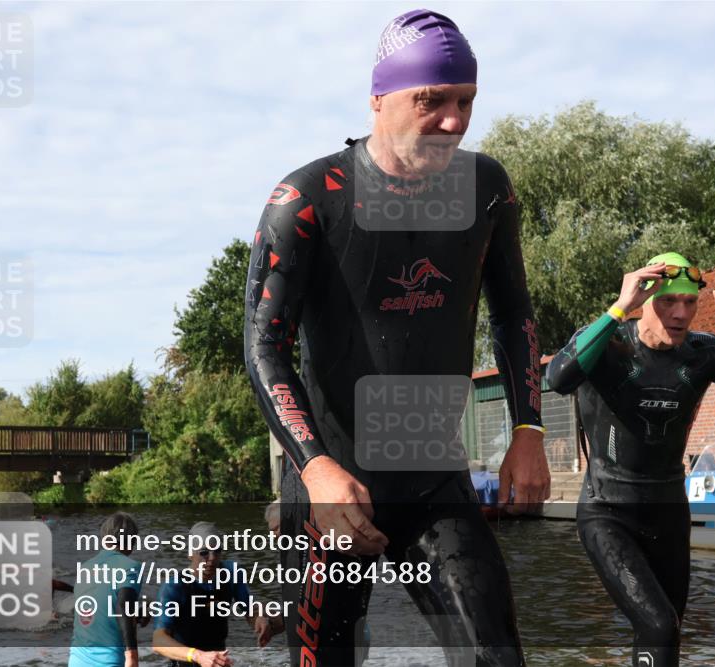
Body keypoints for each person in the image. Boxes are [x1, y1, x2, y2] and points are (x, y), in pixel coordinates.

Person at [244, 9, 549, 666]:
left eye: (465, 100)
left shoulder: (487, 189)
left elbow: (514, 314)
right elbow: (264, 346)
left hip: (433, 478)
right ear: (379, 98)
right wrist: (317, 467)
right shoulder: (307, 198)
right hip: (334, 488)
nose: (453, 120)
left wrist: (529, 432)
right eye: (431, 100)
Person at [545, 252, 715, 666]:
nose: (680, 313)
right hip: (608, 512)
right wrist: (617, 309)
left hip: (668, 513)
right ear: (643, 299)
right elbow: (558, 379)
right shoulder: (608, 342)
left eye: (689, 302)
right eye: (667, 302)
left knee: (667, 630)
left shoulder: (707, 353)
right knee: (658, 624)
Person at [153, 522, 278, 667]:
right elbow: (159, 640)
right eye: (204, 553)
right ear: (190, 554)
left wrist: (259, 618)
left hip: (219, 660)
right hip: (186, 661)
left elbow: (249, 608)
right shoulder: (175, 586)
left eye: (217, 551)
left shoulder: (231, 573)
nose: (212, 558)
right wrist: (198, 656)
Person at [69, 512, 145, 667]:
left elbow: (99, 610)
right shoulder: (130, 566)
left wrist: (135, 615)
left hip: (76, 659)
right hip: (109, 660)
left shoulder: (84, 568)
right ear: (132, 541)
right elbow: (123, 607)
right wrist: (132, 656)